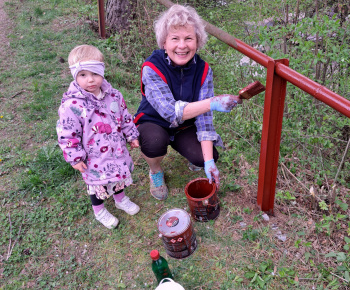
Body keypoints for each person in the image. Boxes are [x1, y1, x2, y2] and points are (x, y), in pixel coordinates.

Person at [134, 4, 242, 201]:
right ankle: (156, 171)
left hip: (185, 125)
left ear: (198, 41)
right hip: (154, 121)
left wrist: (208, 161)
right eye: (175, 39)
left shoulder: (204, 70)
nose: (182, 46)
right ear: (164, 42)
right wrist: (211, 102)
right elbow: (170, 112)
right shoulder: (151, 67)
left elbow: (205, 117)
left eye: (188, 38)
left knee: (206, 157)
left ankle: (192, 156)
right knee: (154, 142)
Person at [57, 45, 140, 229]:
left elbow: (125, 116)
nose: (90, 80)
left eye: (94, 73)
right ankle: (99, 210)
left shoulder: (114, 96)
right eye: (83, 75)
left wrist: (131, 134)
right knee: (96, 184)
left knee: (119, 175)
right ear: (75, 76)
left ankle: (120, 199)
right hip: (93, 156)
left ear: (102, 71)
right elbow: (67, 134)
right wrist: (75, 157)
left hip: (116, 149)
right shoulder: (71, 106)